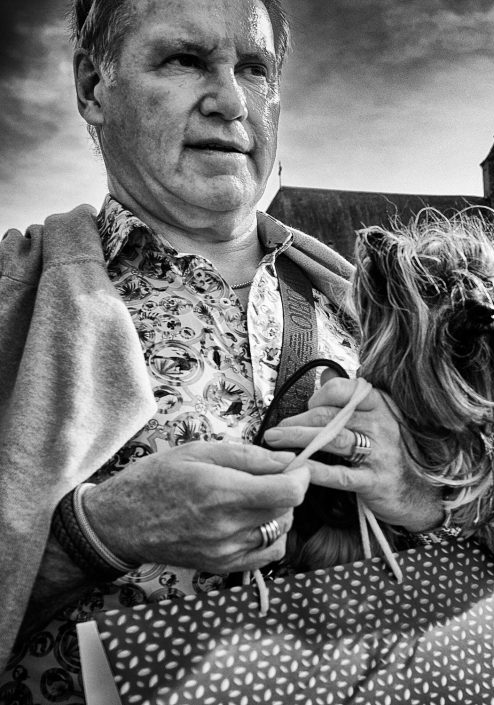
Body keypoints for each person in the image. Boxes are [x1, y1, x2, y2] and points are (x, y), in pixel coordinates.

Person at [0, 1, 463, 698]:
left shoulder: (379, 310)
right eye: (184, 60)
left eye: (254, 67)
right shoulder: (18, 302)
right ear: (94, 87)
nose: (230, 101)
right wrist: (98, 532)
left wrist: (426, 491)